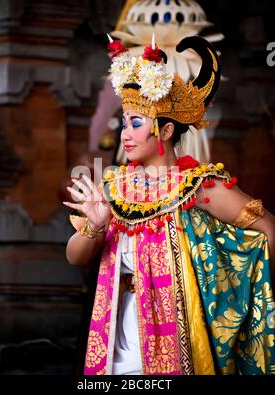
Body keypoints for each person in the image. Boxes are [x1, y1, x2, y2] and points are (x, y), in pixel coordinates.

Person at [64, 36, 275, 375]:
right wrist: (95, 226)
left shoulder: (199, 187)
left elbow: (269, 229)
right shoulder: (114, 188)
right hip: (114, 324)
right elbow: (75, 257)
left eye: (136, 123)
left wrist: (254, 298)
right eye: (124, 122)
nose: (124, 134)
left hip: (174, 328)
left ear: (164, 131)